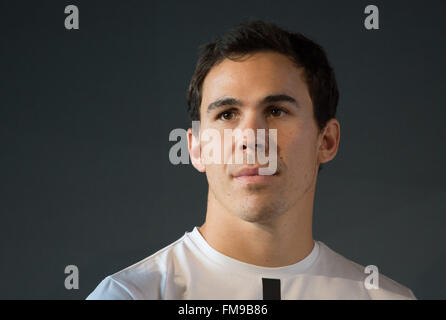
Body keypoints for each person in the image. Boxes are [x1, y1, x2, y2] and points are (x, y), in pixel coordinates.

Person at [87, 20, 416, 300]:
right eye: (227, 114)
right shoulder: (131, 294)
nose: (251, 136)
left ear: (326, 141)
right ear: (198, 147)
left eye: (276, 111)